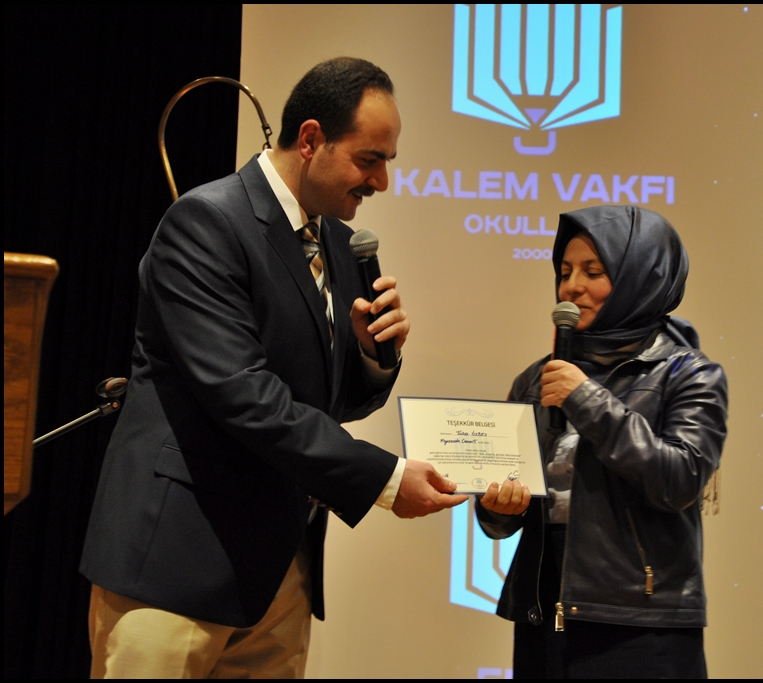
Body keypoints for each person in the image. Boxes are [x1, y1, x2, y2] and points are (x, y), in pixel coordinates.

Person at [79, 57, 467, 678]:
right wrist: (386, 479)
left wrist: (371, 358)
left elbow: (326, 403)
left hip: (282, 573)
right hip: (177, 565)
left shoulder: (337, 242)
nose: (382, 181)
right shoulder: (207, 222)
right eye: (370, 160)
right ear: (310, 139)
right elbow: (244, 395)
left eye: (388, 161)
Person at [476, 205, 728, 679]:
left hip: (641, 620)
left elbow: (680, 479)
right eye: (565, 272)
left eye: (594, 272)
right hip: (544, 612)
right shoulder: (536, 379)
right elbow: (500, 516)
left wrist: (586, 399)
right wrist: (497, 507)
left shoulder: (689, 374)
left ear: (641, 277)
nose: (572, 287)